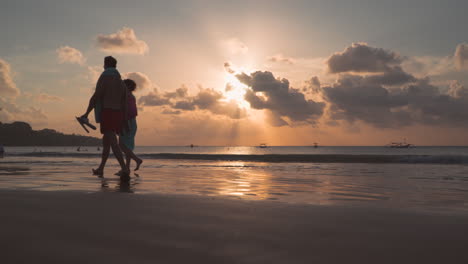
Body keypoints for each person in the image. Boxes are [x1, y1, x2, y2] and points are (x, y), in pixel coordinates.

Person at [80, 56, 129, 178]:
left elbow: (96, 96)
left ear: (105, 65)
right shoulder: (121, 82)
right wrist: (123, 120)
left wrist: (86, 114)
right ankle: (101, 168)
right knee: (106, 142)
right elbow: (124, 102)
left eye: (103, 64)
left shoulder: (105, 77)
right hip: (118, 114)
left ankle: (125, 169)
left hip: (108, 112)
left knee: (112, 141)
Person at [119, 79, 143, 171]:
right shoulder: (131, 96)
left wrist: (124, 123)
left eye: (123, 85)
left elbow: (127, 110)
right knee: (127, 146)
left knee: (121, 145)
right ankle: (127, 168)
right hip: (132, 122)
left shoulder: (126, 96)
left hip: (127, 121)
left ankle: (137, 160)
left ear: (127, 86)